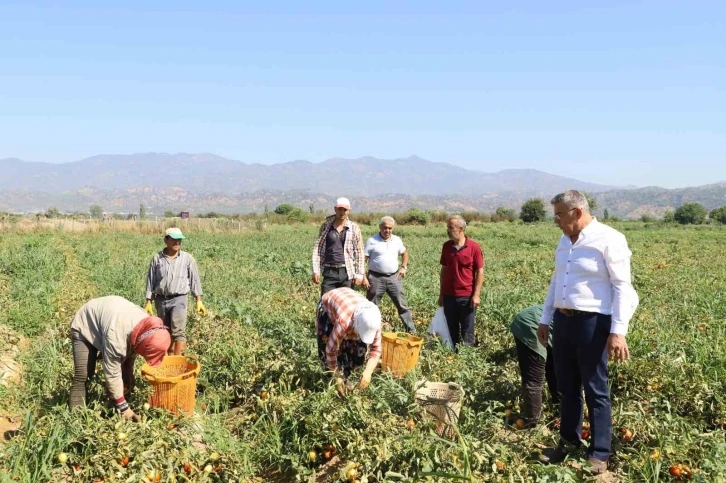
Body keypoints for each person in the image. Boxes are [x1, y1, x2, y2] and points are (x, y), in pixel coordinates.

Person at [536, 190, 638, 475]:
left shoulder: (609, 239)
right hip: (564, 321)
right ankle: (568, 442)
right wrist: (546, 320)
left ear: (577, 212)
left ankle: (600, 453)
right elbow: (556, 282)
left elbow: (622, 287)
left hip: (593, 323)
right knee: (566, 386)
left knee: (595, 389)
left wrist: (618, 331)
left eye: (559, 214)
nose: (556, 220)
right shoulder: (564, 241)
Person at [69, 296, 171, 421]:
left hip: (110, 318)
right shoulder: (116, 336)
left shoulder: (148, 327)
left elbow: (132, 349)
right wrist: (123, 408)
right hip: (86, 324)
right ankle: (76, 419)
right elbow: (112, 372)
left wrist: (128, 373)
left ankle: (113, 399)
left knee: (126, 374)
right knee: (84, 375)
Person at [145, 227, 206, 355]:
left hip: (179, 298)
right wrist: (148, 301)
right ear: (165, 240)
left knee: (178, 332)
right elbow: (151, 280)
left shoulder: (187, 259)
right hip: (161, 300)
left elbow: (195, 280)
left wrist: (198, 300)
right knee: (164, 331)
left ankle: (178, 362)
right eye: (174, 240)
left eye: (179, 240)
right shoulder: (157, 259)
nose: (177, 243)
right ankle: (168, 359)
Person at [317, 287, 382, 395]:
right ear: (355, 324)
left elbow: (376, 349)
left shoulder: (374, 321)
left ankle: (347, 380)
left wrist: (368, 371)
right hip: (328, 306)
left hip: (350, 302)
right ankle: (331, 385)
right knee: (325, 350)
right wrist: (336, 377)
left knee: (357, 354)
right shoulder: (344, 322)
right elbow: (330, 349)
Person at [437, 215, 484, 348]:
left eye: (450, 228)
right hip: (449, 296)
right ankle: (452, 357)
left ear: (461, 229)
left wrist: (476, 295)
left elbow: (480, 272)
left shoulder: (474, 247)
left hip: (467, 296)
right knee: (450, 329)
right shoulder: (446, 246)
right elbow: (444, 271)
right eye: (447, 227)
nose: (448, 230)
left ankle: (466, 356)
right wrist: (441, 294)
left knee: (467, 330)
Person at [364, 216, 416, 334]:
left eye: (390, 228)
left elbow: (405, 254)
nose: (387, 230)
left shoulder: (397, 240)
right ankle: (368, 332)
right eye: (385, 228)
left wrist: (403, 267)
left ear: (393, 228)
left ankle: (411, 332)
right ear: (380, 227)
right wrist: (363, 276)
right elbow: (364, 259)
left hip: (394, 277)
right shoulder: (372, 241)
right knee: (371, 307)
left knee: (402, 305)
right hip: (375, 278)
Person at [509, 305, 559, 427]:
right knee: (534, 378)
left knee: (554, 369)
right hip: (530, 324)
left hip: (543, 323)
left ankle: (559, 411)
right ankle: (532, 422)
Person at [312, 197, 367, 295]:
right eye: (339, 209)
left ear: (349, 211)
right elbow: (318, 249)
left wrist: (359, 274)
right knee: (326, 303)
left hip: (347, 271)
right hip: (329, 271)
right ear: (335, 209)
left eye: (345, 210)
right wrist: (316, 270)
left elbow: (359, 252)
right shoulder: (326, 226)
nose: (342, 212)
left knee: (346, 304)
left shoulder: (354, 228)